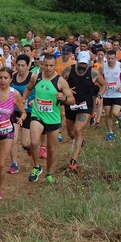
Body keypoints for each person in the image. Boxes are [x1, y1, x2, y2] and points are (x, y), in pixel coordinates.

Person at [23, 54, 75, 184]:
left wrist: (64, 99)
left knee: (51, 148)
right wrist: (24, 99)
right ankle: (37, 167)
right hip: (37, 114)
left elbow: (72, 99)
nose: (48, 68)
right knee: (34, 143)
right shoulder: (36, 76)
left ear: (55, 66)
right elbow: (29, 88)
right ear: (42, 65)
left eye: (51, 65)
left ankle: (49, 172)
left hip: (53, 118)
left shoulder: (60, 81)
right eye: (46, 65)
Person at [0, 67, 27, 201]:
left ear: (11, 79)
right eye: (0, 77)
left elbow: (23, 112)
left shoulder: (15, 94)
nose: (3, 81)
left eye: (6, 78)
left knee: (2, 164)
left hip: (7, 131)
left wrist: (21, 119)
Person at [61, 51, 106, 172]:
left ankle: (73, 161)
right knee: (71, 133)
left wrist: (99, 96)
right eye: (80, 64)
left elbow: (104, 85)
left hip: (85, 106)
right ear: (76, 61)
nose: (82, 67)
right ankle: (80, 142)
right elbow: (59, 83)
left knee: (78, 129)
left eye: (85, 64)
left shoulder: (93, 72)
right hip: (70, 105)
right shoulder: (68, 70)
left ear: (88, 63)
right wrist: (66, 89)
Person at [7, 54, 35, 174]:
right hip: (15, 111)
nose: (20, 68)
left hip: (28, 112)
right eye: (18, 65)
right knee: (13, 138)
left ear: (28, 65)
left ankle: (29, 148)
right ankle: (14, 163)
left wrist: (32, 100)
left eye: (23, 65)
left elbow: (38, 91)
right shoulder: (12, 77)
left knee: (25, 142)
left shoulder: (33, 77)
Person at [102, 49, 121, 141]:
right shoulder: (102, 67)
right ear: (106, 57)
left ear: (116, 58)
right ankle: (110, 133)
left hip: (118, 93)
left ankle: (120, 116)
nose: (110, 60)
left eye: (112, 58)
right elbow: (98, 78)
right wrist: (102, 87)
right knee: (107, 114)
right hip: (107, 94)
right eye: (109, 58)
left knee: (115, 113)